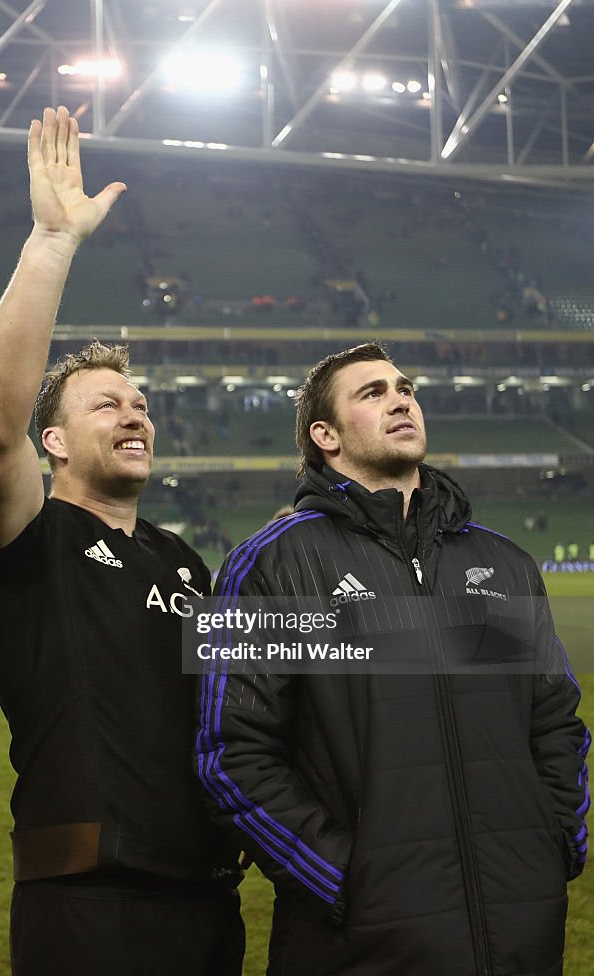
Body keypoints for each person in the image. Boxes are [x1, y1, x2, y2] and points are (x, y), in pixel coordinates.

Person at [196, 342, 590, 976]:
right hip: (363, 942)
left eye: (405, 388)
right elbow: (231, 754)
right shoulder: (271, 563)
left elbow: (555, 722)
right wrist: (342, 877)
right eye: (372, 392)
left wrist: (553, 844)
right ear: (325, 435)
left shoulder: (507, 562)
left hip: (521, 928)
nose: (401, 399)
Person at [0, 107, 244, 976]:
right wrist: (50, 244)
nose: (136, 415)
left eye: (143, 404)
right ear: (54, 443)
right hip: (88, 905)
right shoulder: (29, 539)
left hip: (207, 899)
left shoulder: (183, 561)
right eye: (107, 404)